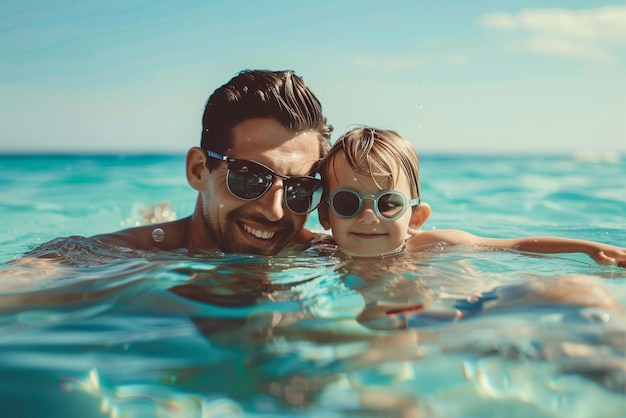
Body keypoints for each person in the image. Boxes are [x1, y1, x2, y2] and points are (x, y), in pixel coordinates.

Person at [93, 69, 333, 256]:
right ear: (198, 170)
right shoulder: (121, 257)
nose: (274, 212)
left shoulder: (321, 254)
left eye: (301, 189)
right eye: (251, 178)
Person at [316, 126, 626, 266]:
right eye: (347, 202)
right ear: (326, 215)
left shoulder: (434, 245)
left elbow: (516, 246)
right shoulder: (319, 253)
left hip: (473, 307)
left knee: (575, 294)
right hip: (413, 323)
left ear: (416, 218)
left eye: (388, 203)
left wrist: (591, 247)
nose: (369, 217)